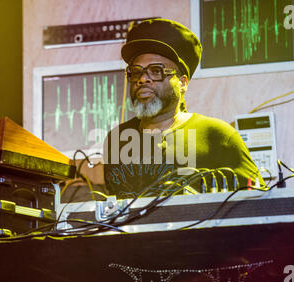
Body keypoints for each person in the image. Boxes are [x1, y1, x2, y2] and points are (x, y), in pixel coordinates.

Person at [103, 18, 264, 199]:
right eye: (136, 72)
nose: (142, 79)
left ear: (182, 83)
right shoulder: (117, 139)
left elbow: (256, 206)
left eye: (156, 71)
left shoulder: (218, 136)